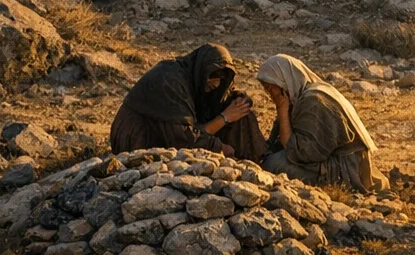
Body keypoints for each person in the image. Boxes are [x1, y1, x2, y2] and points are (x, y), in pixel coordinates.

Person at [110, 43, 266, 159]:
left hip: (176, 134)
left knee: (242, 114)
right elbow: (183, 139)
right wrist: (222, 129)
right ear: (201, 70)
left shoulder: (196, 77)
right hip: (140, 138)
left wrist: (241, 101)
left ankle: (258, 161)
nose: (216, 84)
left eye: (221, 79)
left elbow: (224, 98)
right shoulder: (171, 81)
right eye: (212, 77)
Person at [256, 54, 385, 193]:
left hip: (345, 167)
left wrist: (282, 109)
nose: (268, 93)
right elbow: (278, 142)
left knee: (272, 164)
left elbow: (302, 154)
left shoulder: (313, 101)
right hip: (329, 158)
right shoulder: (298, 96)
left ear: (284, 80)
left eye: (270, 87)